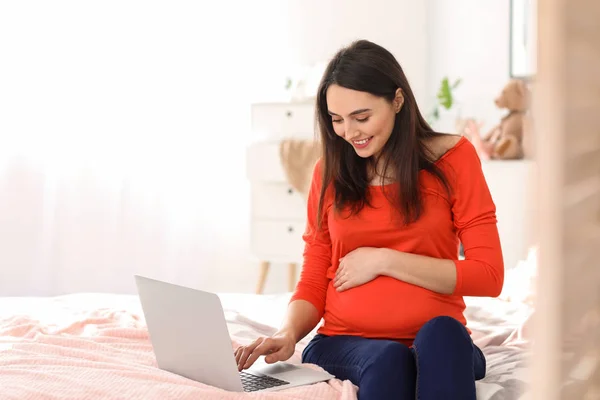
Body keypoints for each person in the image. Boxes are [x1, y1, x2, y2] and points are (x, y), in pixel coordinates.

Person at [235, 39, 504, 400]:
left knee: (442, 333)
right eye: (337, 121)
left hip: (440, 340)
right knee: (389, 358)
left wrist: (383, 260)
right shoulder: (328, 172)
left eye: (362, 117)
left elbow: (489, 275)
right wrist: (287, 334)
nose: (350, 132)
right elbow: (315, 274)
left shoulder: (454, 159)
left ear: (397, 100)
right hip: (345, 343)